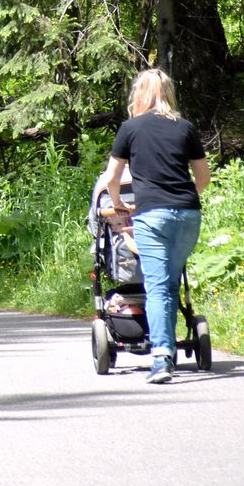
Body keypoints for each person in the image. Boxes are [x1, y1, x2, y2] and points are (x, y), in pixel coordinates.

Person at [97, 68, 211, 384]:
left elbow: (111, 178)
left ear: (139, 95)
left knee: (158, 285)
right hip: (188, 215)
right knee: (170, 283)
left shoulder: (130, 129)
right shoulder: (185, 128)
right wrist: (183, 197)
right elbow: (202, 179)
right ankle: (168, 344)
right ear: (169, 94)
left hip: (152, 217)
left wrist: (118, 203)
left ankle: (162, 358)